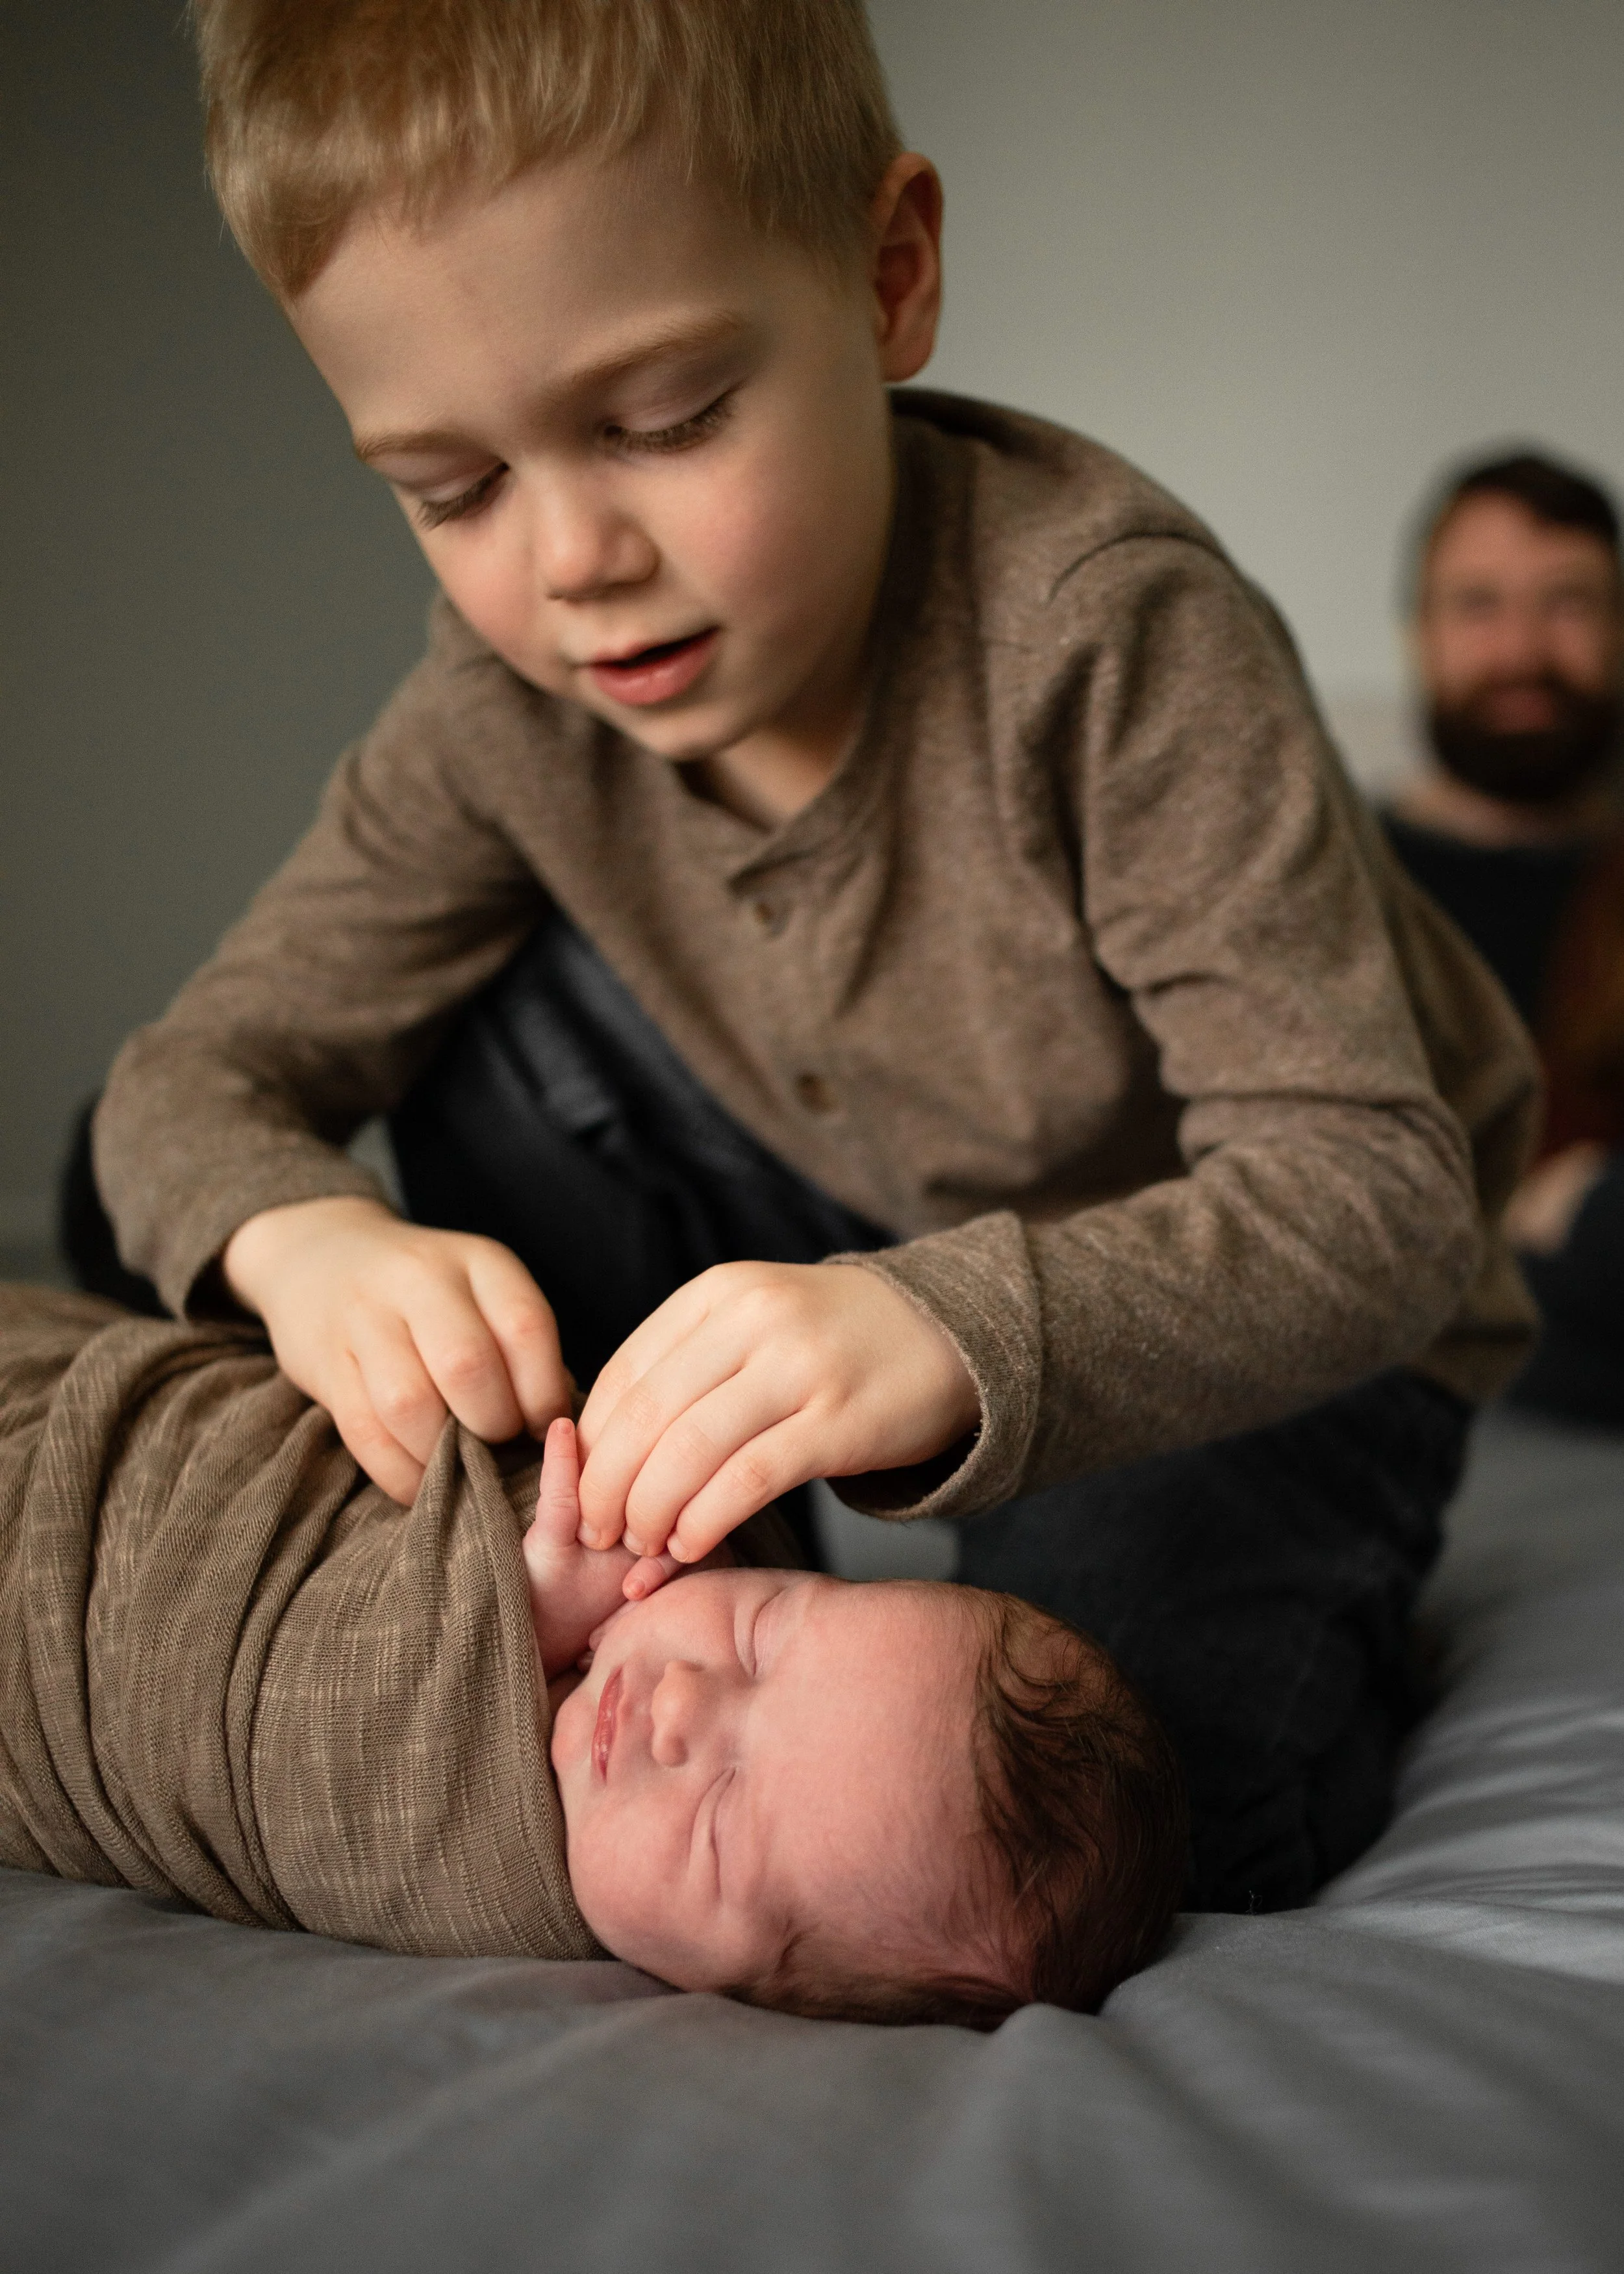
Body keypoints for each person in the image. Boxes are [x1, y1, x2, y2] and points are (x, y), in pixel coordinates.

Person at [90, 0, 1540, 1924]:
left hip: (1271, 1307)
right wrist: (301, 1236)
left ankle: (1293, 1616)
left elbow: (1374, 1204)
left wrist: (937, 1332)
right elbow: (186, 1082)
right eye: (449, 491)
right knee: (469, 1047)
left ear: (888, 276)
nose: (573, 559)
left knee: (1094, 1803)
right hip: (848, 1221)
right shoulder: (501, 712)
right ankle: (702, 1571)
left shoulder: (1104, 638)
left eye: (667, 419)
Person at [0, 1284, 1186, 2025]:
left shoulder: (487, 1875)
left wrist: (501, 1612)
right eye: (760, 1633)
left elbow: (295, 1763)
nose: (678, 1709)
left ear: (746, 1993)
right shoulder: (669, 1557)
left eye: (723, 1823)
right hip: (130, 1409)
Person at [1382, 450, 1624, 1426]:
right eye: (1479, 605)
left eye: (1568, 603)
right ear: (1419, 637)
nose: (1523, 649)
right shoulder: (1325, 878)